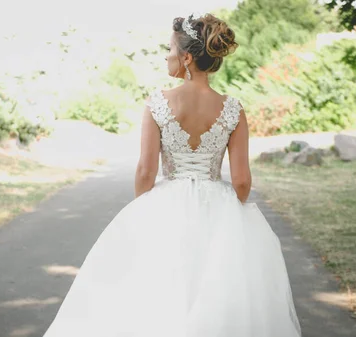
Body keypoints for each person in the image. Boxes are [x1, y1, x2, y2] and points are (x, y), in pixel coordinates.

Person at [43, 13, 302, 337]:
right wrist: (231, 213)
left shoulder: (159, 103)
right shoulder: (233, 109)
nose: (166, 55)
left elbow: (145, 170)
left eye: (170, 48)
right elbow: (241, 181)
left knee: (154, 295)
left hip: (165, 205)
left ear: (187, 57)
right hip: (219, 209)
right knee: (221, 297)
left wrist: (143, 209)